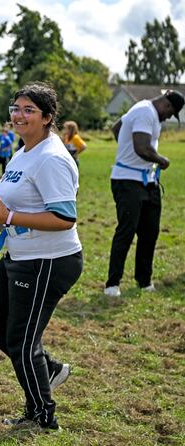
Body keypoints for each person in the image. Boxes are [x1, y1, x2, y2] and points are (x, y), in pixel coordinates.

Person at [0, 82, 82, 431]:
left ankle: (42, 416)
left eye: (28, 110)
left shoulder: (51, 158)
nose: (18, 115)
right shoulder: (23, 153)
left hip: (48, 262)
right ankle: (46, 368)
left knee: (22, 341)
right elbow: (12, 207)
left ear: (48, 118)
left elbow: (64, 218)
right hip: (21, 256)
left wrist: (8, 219)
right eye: (15, 108)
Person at [104, 89, 183, 297]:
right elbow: (142, 148)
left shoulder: (148, 113)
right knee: (127, 231)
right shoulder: (145, 112)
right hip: (127, 181)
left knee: (150, 232)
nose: (168, 118)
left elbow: (116, 128)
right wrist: (162, 161)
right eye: (170, 113)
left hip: (147, 180)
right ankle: (112, 283)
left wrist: (124, 146)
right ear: (166, 105)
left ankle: (144, 279)